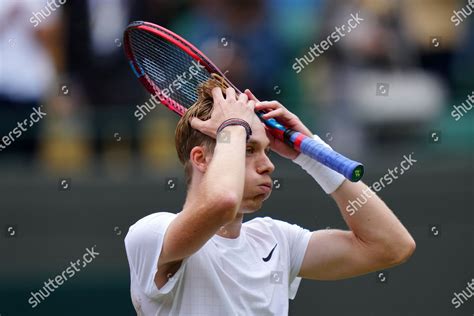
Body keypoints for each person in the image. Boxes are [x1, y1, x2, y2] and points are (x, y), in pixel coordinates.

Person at [124, 77, 416, 315]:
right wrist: (232, 128)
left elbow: (392, 246)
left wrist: (312, 155)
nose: (269, 164)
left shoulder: (276, 240)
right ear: (201, 159)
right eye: (248, 149)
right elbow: (222, 202)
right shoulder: (149, 234)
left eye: (266, 149)